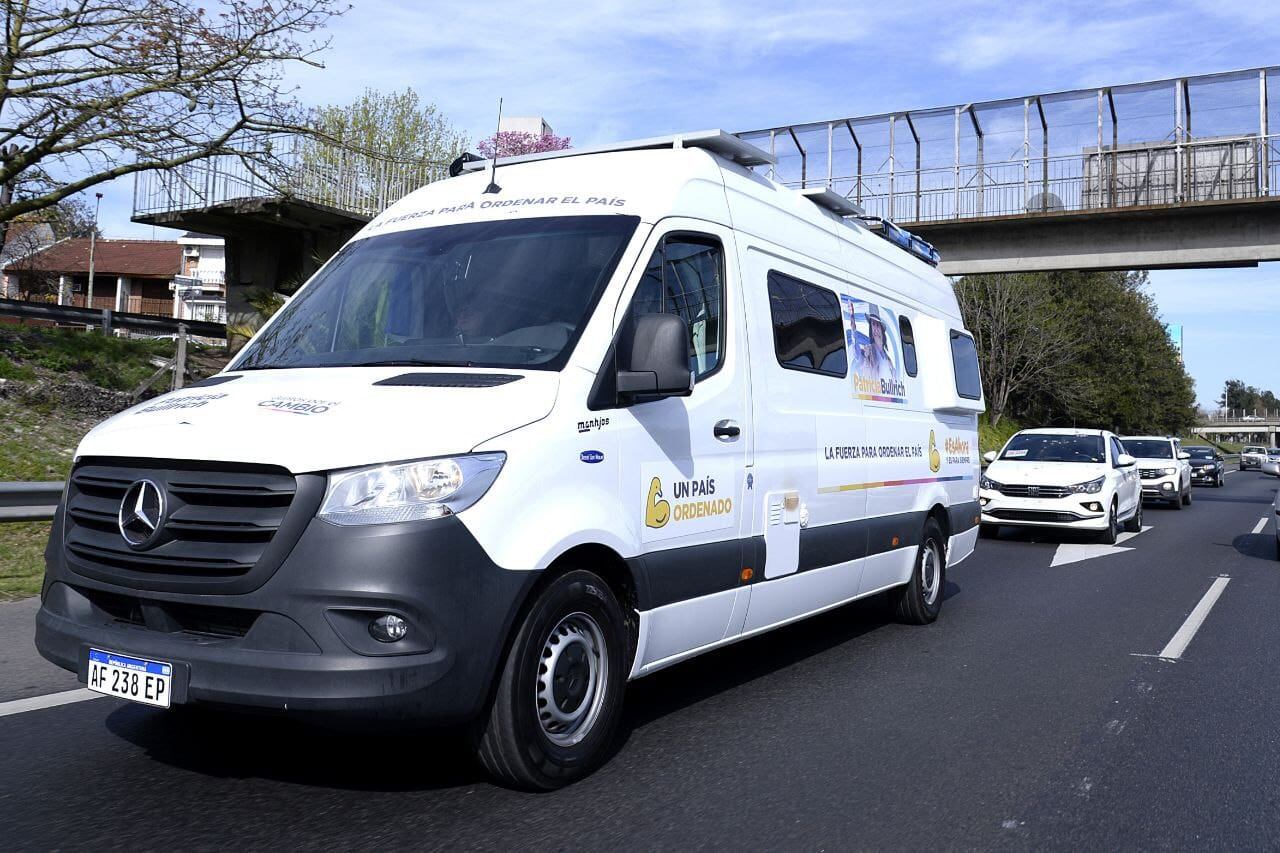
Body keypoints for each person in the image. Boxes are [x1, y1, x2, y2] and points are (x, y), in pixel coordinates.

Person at [857, 305, 898, 384]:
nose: (875, 329)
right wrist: (866, 357)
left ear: (882, 330)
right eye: (873, 324)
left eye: (877, 325)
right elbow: (865, 375)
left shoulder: (888, 359)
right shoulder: (869, 350)